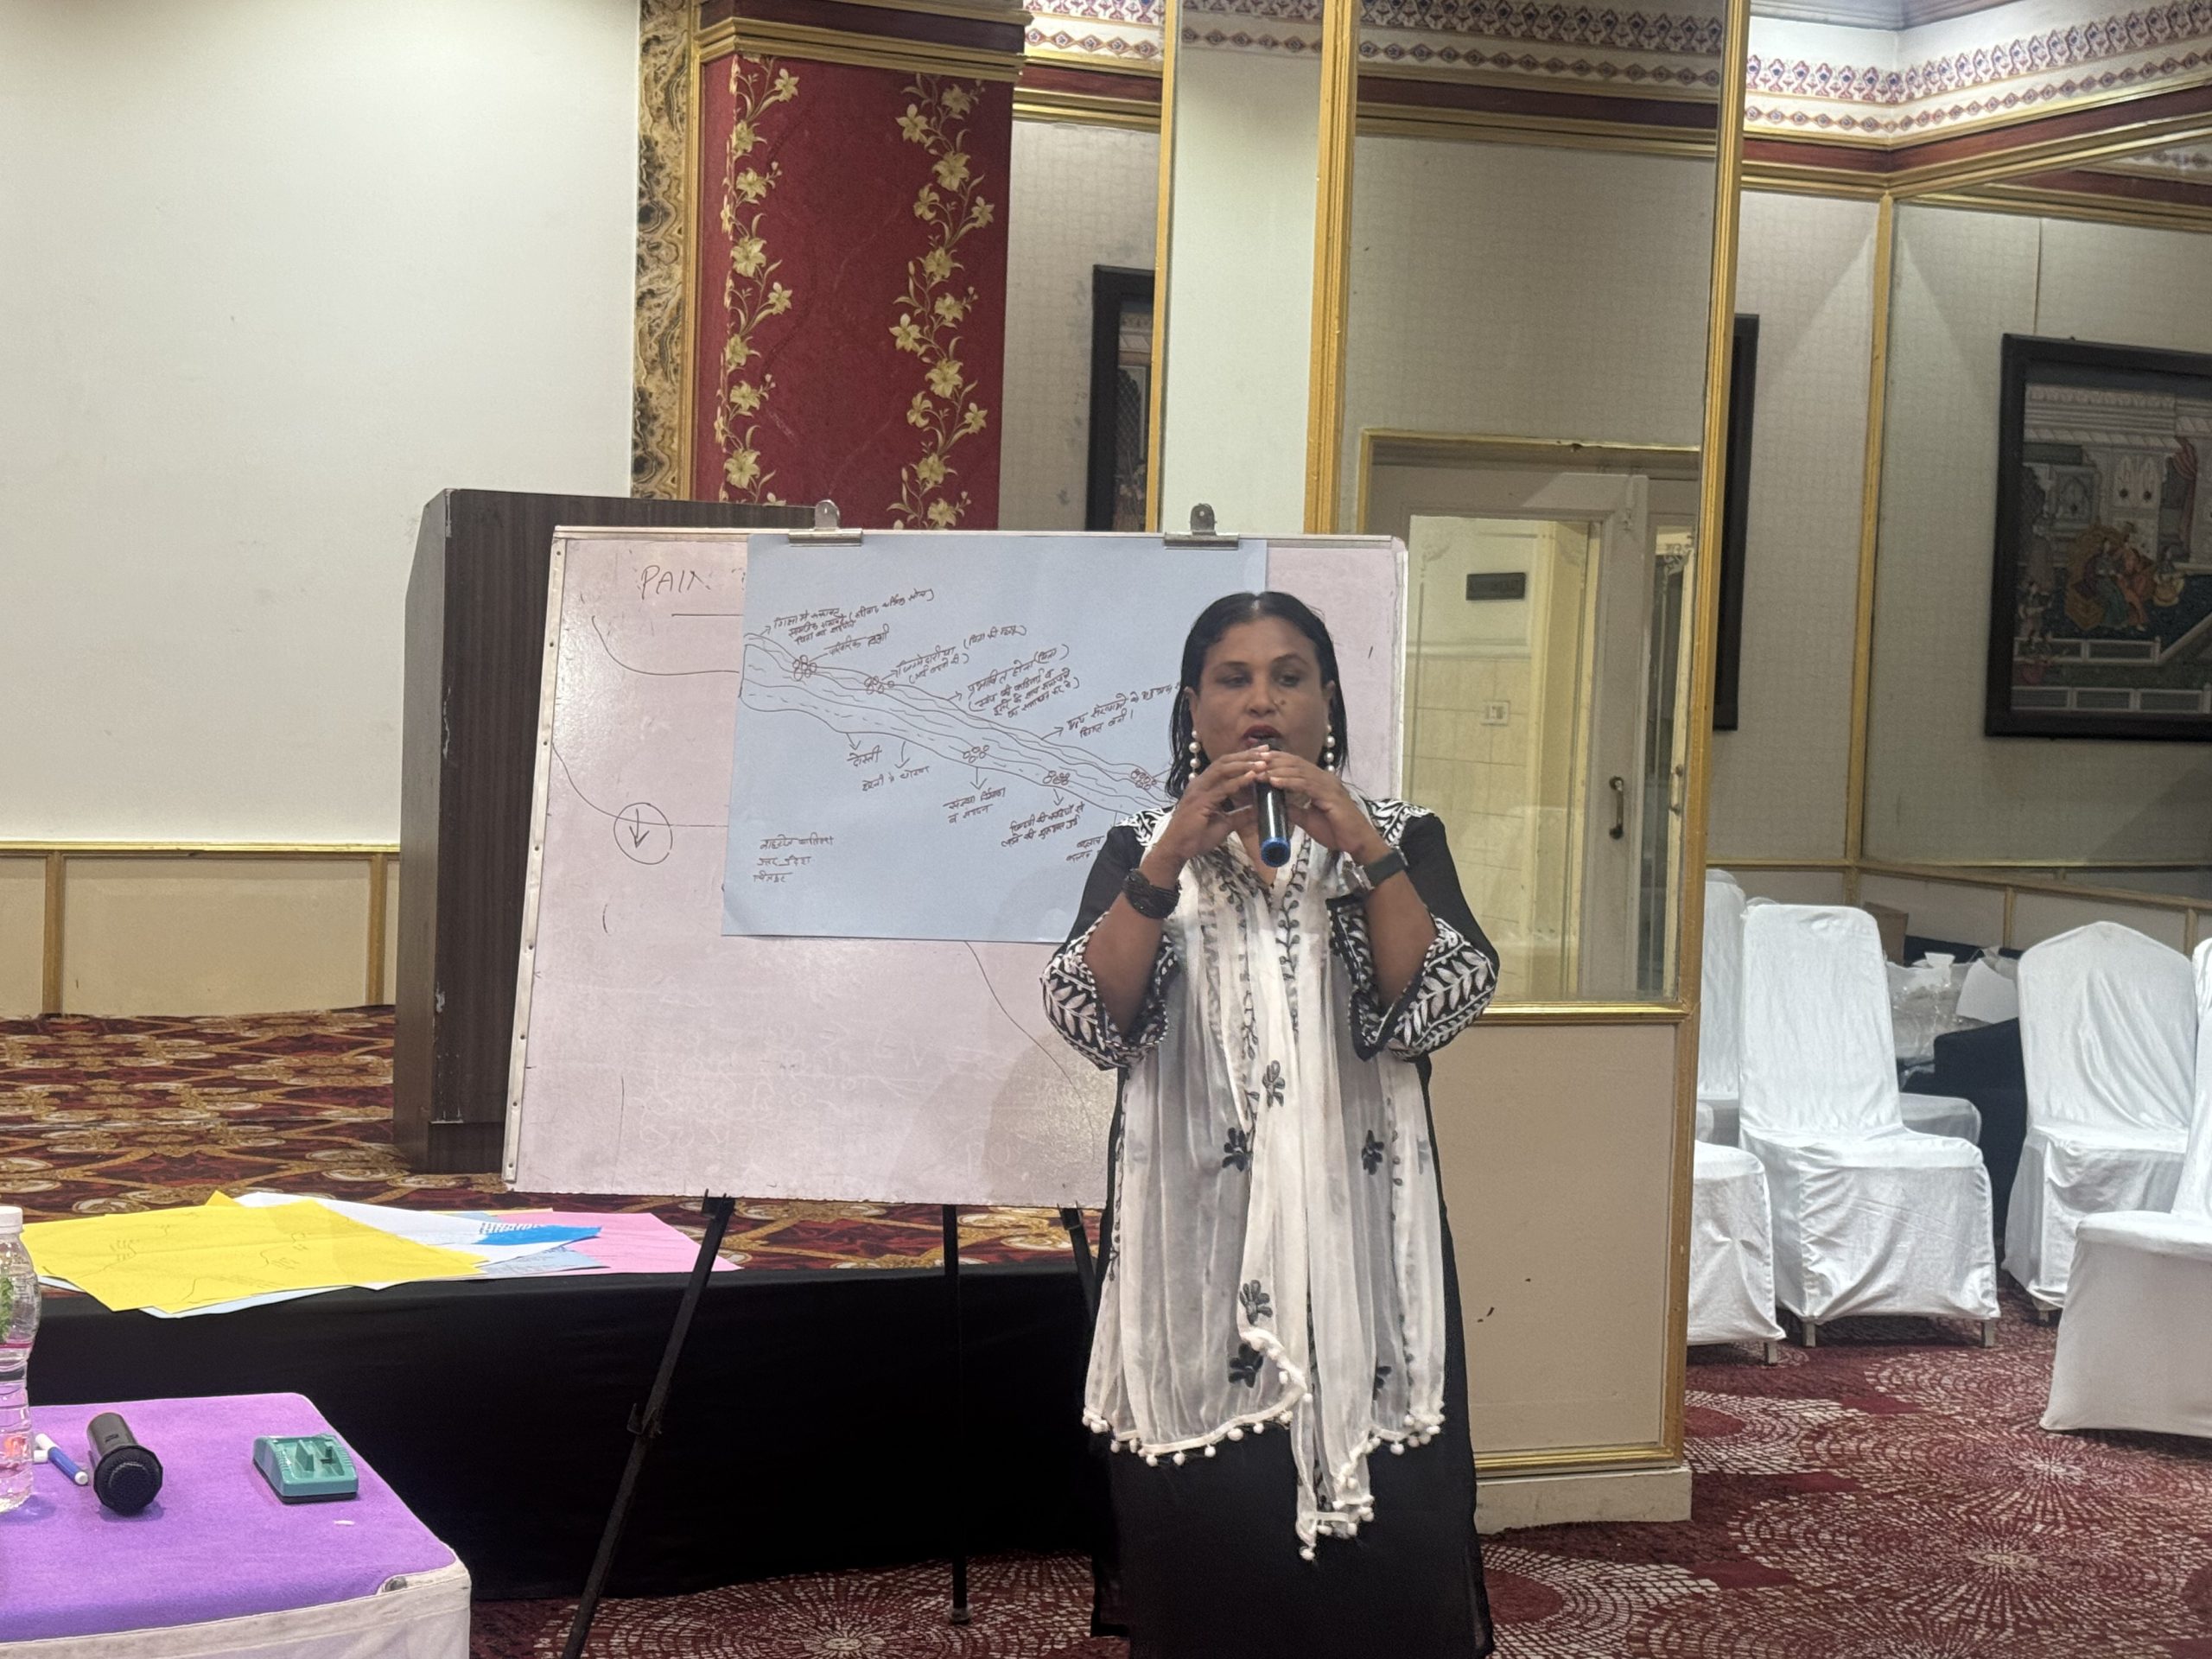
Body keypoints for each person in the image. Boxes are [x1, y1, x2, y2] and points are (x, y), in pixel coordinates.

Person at [1041, 591, 1499, 1658]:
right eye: (1234, 680)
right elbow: (1093, 1017)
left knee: (1391, 1548)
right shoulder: (1140, 846)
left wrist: (1365, 847)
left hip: (1362, 1248)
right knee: (1217, 1540)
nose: (1262, 703)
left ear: (1326, 703)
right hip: (1194, 1257)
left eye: (1288, 678)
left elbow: (1432, 1005)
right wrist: (1166, 859)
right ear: (1192, 708)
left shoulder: (1401, 836)